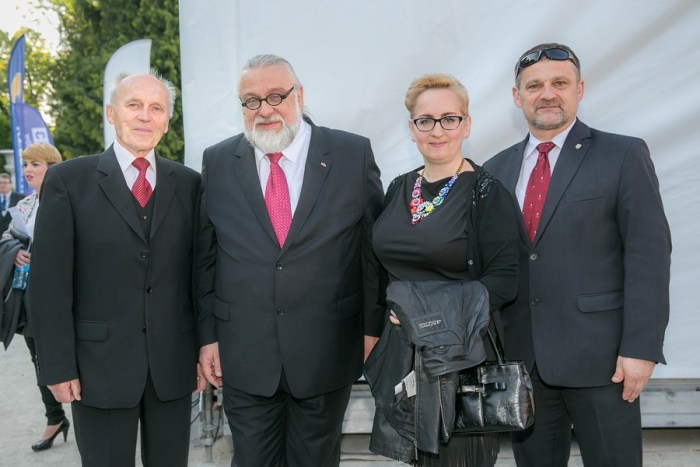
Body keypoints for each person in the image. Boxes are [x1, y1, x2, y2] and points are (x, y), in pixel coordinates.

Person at [483, 43, 672, 467]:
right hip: (524, 364)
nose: (547, 94)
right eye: (534, 86)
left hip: (604, 362)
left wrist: (641, 347)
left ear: (579, 90)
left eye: (560, 83)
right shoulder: (494, 170)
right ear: (517, 96)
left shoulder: (622, 155)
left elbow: (648, 255)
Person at [196, 54, 385, 467]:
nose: (264, 110)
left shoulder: (351, 153)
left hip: (327, 349)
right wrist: (207, 337)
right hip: (243, 354)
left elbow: (372, 251)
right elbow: (206, 258)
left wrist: (372, 329)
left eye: (276, 96)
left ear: (299, 95)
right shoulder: (218, 161)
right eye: (251, 100)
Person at [28, 72, 204, 467]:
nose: (145, 116)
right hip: (96, 370)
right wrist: (57, 367)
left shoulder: (190, 184)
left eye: (156, 108)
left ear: (166, 121)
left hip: (172, 368)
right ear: (111, 113)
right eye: (133, 105)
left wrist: (202, 348)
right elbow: (49, 287)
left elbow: (199, 277)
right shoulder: (68, 181)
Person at [368, 74, 519, 466]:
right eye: (426, 120)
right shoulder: (399, 188)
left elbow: (506, 280)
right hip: (404, 356)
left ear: (466, 125)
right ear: (412, 129)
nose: (437, 130)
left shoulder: (486, 192)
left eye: (449, 119)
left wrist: (424, 311)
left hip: (459, 361)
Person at [0, 143, 67, 451]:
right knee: (39, 360)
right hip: (30, 296)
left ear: (52, 167)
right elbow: (7, 237)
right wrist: (15, 252)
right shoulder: (24, 205)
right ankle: (55, 417)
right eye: (26, 164)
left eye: (35, 164)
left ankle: (91, 420)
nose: (27, 170)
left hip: (66, 294)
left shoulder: (69, 198)